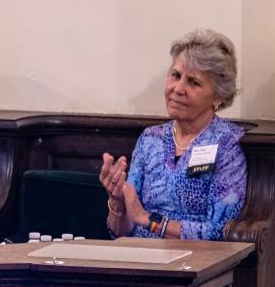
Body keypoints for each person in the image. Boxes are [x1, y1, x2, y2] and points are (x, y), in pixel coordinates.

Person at [101, 29, 247, 240]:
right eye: (176, 76)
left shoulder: (227, 144)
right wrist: (118, 203)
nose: (178, 89)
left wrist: (150, 221)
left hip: (197, 266)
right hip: (141, 260)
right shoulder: (151, 139)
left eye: (193, 82)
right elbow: (122, 231)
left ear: (219, 96)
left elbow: (220, 231)